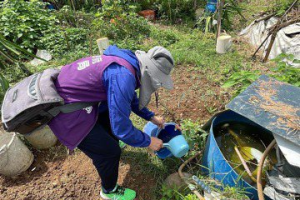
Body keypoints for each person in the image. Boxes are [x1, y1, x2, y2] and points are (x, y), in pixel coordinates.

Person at [48, 45, 175, 200]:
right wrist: (148, 141)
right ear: (149, 72)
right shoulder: (123, 76)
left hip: (77, 99)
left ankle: (110, 140)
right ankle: (109, 190)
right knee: (109, 152)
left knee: (111, 112)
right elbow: (122, 127)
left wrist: (151, 117)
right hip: (65, 111)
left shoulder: (129, 62)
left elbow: (128, 97)